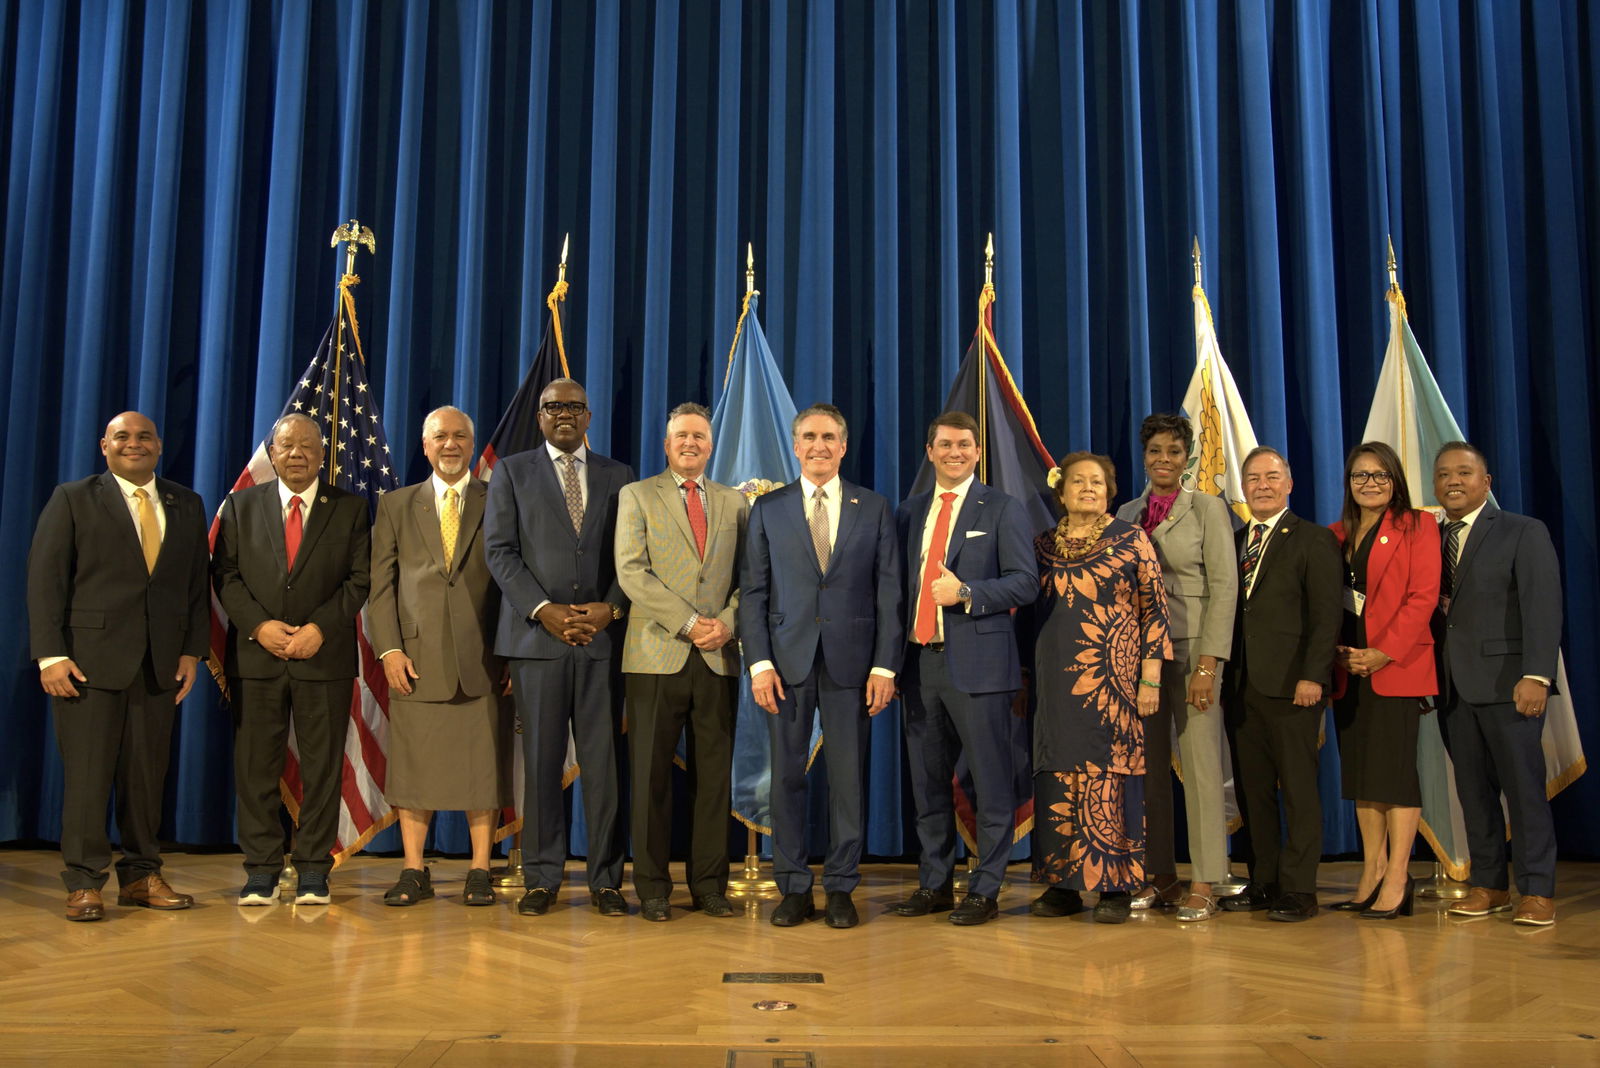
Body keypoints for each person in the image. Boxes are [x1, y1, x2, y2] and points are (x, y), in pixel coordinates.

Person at [26, 411, 209, 921]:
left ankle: (141, 876)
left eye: (144, 436)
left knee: (146, 779)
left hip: (159, 666)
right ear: (104, 445)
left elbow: (196, 585)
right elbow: (46, 580)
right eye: (123, 437)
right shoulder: (73, 498)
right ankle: (84, 882)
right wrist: (51, 655)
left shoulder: (186, 503)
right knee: (87, 779)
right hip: (85, 666)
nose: (135, 443)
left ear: (159, 444)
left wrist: (192, 651)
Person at [741, 403, 903, 929]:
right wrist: (760, 662)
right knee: (786, 777)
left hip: (853, 664)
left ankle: (839, 887)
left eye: (829, 436)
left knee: (847, 780)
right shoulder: (769, 509)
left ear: (844, 445)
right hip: (785, 663)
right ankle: (792, 887)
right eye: (809, 436)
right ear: (795, 446)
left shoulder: (873, 507)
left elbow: (889, 595)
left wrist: (884, 667)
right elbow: (754, 594)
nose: (819, 445)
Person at [484, 378, 632, 918]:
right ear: (540, 417)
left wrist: (609, 609)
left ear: (588, 417)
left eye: (573, 407)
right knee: (542, 764)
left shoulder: (620, 475)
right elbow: (499, 552)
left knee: (604, 767)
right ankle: (542, 878)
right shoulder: (511, 471)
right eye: (553, 407)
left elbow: (630, 556)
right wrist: (543, 611)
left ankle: (607, 880)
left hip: (602, 642)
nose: (563, 414)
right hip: (534, 640)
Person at [213, 412, 372, 905]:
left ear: (322, 454)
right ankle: (260, 869)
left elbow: (359, 580)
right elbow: (226, 576)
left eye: (307, 446)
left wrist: (319, 629)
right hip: (258, 658)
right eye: (287, 446)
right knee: (256, 767)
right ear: (273, 453)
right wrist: (260, 627)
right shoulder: (240, 506)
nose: (297, 454)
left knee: (322, 769)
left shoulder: (349, 509)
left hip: (322, 658)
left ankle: (312, 870)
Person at [892, 411, 1037, 926]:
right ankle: (934, 884)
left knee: (991, 783)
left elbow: (1026, 582)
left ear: (978, 453)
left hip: (980, 669)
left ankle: (986, 887)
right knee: (928, 785)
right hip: (918, 667)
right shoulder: (908, 514)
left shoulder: (1002, 508)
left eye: (966, 445)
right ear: (929, 451)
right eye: (946, 444)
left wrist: (969, 594)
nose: (956, 453)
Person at [368, 406, 512, 907]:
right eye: (440, 437)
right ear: (425, 446)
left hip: (484, 660)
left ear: (472, 445)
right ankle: (413, 869)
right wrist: (388, 649)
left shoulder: (500, 500)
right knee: (416, 768)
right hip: (416, 660)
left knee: (483, 770)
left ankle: (478, 870)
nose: (450, 445)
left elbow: (513, 583)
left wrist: (512, 653)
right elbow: (379, 586)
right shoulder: (395, 505)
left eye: (460, 437)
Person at [615, 403, 748, 922]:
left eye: (698, 435)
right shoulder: (636, 496)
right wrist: (691, 623)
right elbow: (631, 571)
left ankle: (709, 885)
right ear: (666, 445)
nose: (689, 443)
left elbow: (749, 578)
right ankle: (651, 888)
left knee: (713, 778)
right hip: (654, 655)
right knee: (650, 778)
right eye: (680, 436)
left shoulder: (735, 502)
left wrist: (728, 624)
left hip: (719, 656)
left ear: (710, 446)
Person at [1027, 452, 1171, 925]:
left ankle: (1115, 887)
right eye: (1078, 481)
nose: (1088, 488)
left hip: (1115, 682)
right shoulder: (1042, 545)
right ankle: (1063, 885)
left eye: (1097, 482)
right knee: (1058, 773)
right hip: (1055, 683)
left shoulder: (1132, 539)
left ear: (1110, 492)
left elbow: (1155, 610)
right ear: (1061, 491)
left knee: (1113, 775)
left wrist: (1150, 677)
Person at [1432, 442, 1563, 926]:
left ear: (1486, 482)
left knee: (1524, 791)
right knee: (1473, 792)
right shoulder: (1430, 536)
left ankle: (1537, 890)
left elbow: (1542, 606)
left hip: (1510, 684)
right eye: (1444, 474)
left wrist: (1537, 675)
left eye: (1464, 473)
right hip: (1450, 688)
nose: (1453, 482)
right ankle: (1489, 884)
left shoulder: (1522, 531)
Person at [1114, 414, 1238, 923]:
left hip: (1192, 654)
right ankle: (1159, 874)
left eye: (1173, 451)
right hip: (1139, 655)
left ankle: (1207, 878)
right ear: (1144, 456)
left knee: (1203, 766)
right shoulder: (1126, 511)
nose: (1163, 460)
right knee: (1149, 771)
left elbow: (1225, 586)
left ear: (1186, 458)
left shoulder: (1208, 508)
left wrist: (1210, 663)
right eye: (1155, 451)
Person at [1217, 446, 1341, 922]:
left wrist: (1314, 676)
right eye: (1253, 478)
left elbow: (1327, 617)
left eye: (1272, 477)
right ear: (1243, 488)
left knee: (1299, 791)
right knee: (1253, 792)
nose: (1262, 485)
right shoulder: (1232, 539)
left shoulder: (1312, 539)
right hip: (1242, 687)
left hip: (1294, 686)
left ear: (1289, 484)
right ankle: (1264, 881)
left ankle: (1300, 889)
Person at [1327, 442, 1440, 920]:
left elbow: (1423, 597)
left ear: (1395, 480)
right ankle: (1371, 870)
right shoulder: (1336, 534)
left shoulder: (1418, 525)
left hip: (1395, 666)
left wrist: (1382, 652)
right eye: (1360, 476)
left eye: (1379, 475)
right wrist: (1342, 653)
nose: (1369, 483)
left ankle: (1399, 875)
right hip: (1347, 669)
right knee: (1363, 776)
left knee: (1394, 776)